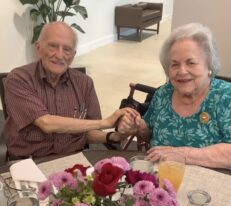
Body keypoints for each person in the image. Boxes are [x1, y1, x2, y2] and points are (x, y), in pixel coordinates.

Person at [4, 22, 136, 159]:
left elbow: (89, 132)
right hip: (30, 161)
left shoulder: (84, 83)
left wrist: (113, 136)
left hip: (72, 160)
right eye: (53, 46)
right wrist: (106, 122)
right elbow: (46, 123)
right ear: (38, 48)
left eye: (67, 49)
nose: (60, 55)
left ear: (73, 55)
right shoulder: (19, 79)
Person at [118, 22, 231, 169]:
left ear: (209, 65)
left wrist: (183, 155)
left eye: (191, 63)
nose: (182, 71)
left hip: (209, 186)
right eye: (175, 64)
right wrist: (138, 126)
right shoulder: (163, 93)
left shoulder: (225, 97)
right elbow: (148, 134)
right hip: (160, 183)